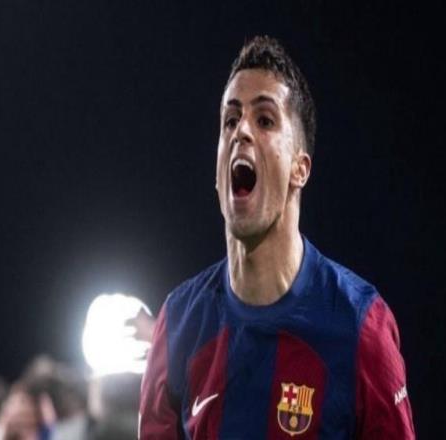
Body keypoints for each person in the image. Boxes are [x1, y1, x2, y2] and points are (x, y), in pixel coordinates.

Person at [140, 35, 415, 439]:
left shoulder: (361, 327)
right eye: (230, 121)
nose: (241, 132)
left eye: (265, 120)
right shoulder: (178, 325)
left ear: (299, 169)